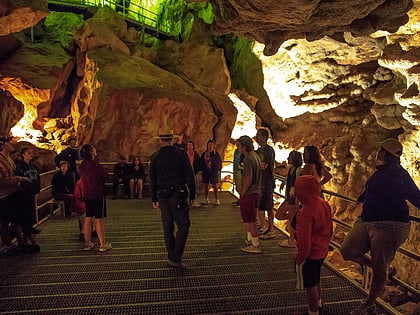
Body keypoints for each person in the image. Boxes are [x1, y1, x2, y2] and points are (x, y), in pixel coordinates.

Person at [340, 138, 420, 315]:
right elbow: (371, 191)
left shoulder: (400, 175)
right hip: (368, 221)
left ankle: (368, 305)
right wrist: (361, 199)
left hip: (389, 226)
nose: (378, 152)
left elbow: (416, 197)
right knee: (347, 251)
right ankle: (384, 269)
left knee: (378, 272)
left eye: (380, 149)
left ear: (384, 153)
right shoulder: (380, 172)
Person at [150, 127, 196, 269]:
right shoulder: (180, 154)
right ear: (171, 139)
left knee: (167, 226)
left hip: (162, 196)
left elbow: (152, 179)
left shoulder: (155, 157)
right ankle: (176, 256)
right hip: (179, 194)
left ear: (160, 141)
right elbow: (190, 175)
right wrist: (192, 194)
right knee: (183, 225)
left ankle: (172, 256)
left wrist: (153, 198)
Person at [295, 175, 333, 315]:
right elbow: (330, 227)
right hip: (322, 250)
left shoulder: (306, 211)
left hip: (311, 253)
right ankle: (319, 303)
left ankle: (313, 311)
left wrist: (300, 258)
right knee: (316, 278)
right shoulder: (324, 204)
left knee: (309, 283)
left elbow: (304, 239)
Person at [0, 136, 31, 252]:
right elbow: (2, 179)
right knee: (4, 222)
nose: (12, 143)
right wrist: (19, 178)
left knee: (16, 220)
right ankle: (9, 246)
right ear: (3, 145)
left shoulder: (8, 158)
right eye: (9, 142)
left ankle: (21, 242)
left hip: (12, 194)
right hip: (3, 196)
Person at [79, 144, 112, 252]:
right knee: (98, 219)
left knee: (88, 217)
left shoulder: (83, 165)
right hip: (97, 194)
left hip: (87, 194)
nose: (95, 149)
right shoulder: (96, 165)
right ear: (91, 152)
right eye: (93, 149)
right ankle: (103, 244)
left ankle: (87, 243)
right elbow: (106, 177)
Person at [236, 135, 262, 254]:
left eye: (239, 145)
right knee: (250, 217)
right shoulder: (255, 156)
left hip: (250, 192)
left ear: (243, 146)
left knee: (250, 219)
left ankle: (255, 244)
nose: (237, 147)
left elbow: (248, 177)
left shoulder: (248, 159)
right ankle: (250, 239)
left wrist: (242, 192)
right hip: (256, 191)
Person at [15, 147, 41, 252]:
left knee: (30, 215)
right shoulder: (20, 167)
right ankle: (27, 241)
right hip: (24, 195)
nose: (31, 154)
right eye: (28, 153)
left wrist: (37, 191)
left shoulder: (33, 166)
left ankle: (26, 241)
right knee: (26, 217)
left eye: (31, 153)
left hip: (32, 194)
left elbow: (37, 179)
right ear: (23, 154)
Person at [277, 150, 303, 247]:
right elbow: (289, 179)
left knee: (289, 219)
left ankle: (291, 241)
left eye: (290, 157)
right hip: (288, 198)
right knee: (279, 215)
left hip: (293, 199)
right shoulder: (291, 169)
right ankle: (292, 239)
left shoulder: (299, 171)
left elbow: (298, 183)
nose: (288, 158)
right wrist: (283, 183)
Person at [255, 128, 276, 240]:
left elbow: (264, 165)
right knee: (261, 206)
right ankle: (264, 227)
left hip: (267, 181)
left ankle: (270, 229)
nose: (256, 137)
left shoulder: (269, 151)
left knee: (268, 206)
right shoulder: (258, 151)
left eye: (258, 135)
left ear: (264, 137)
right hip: (260, 182)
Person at [200, 139, 222, 206]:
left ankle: (216, 200)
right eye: (209, 145)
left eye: (212, 145)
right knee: (206, 185)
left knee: (215, 186)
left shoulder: (216, 154)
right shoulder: (204, 154)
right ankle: (206, 199)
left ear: (214, 146)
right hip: (206, 172)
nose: (210, 146)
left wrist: (218, 169)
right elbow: (201, 162)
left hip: (213, 172)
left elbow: (219, 162)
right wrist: (201, 170)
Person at [186, 140, 201, 207]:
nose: (189, 146)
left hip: (194, 173)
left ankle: (194, 201)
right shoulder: (184, 154)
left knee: (195, 187)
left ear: (193, 146)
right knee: (187, 188)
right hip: (186, 174)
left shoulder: (196, 154)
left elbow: (198, 163)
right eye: (188, 145)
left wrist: (199, 170)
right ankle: (188, 201)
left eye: (191, 145)